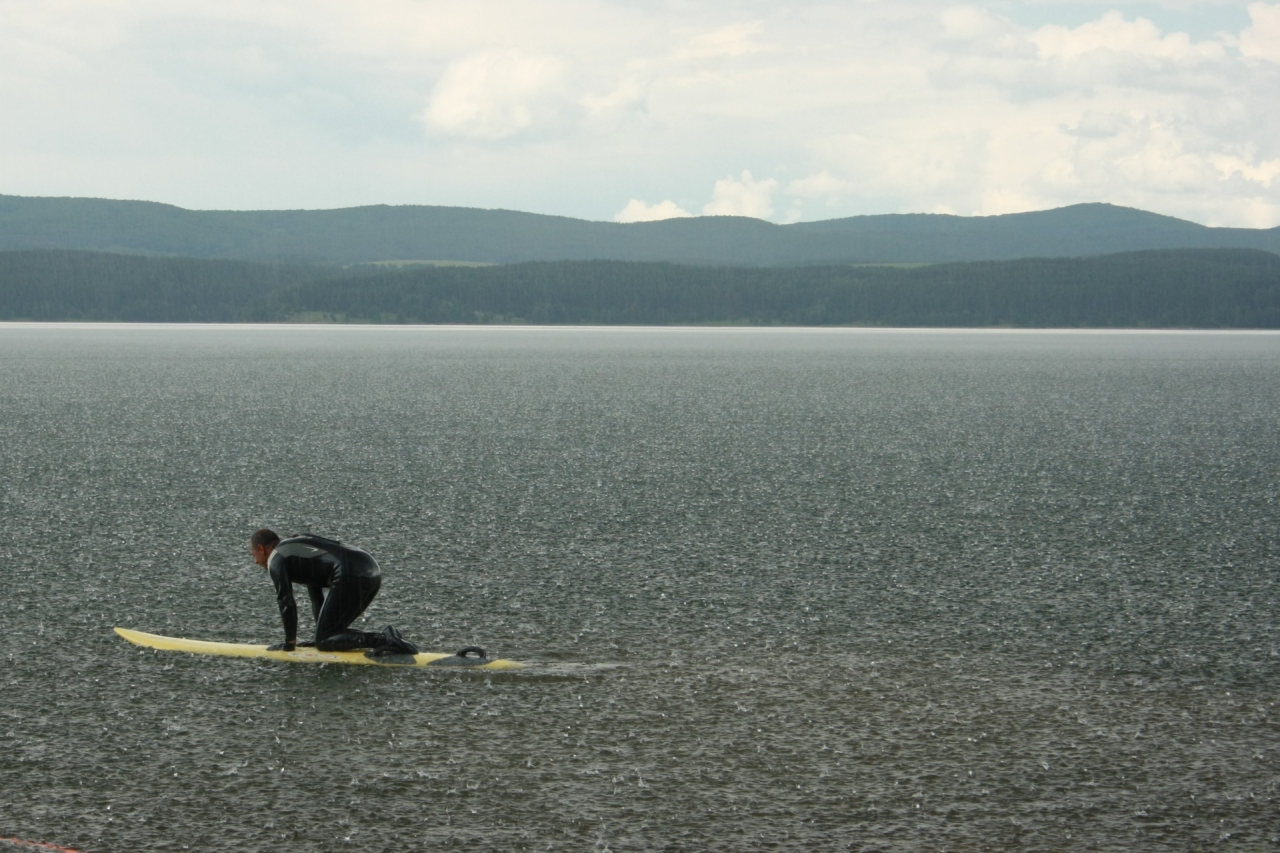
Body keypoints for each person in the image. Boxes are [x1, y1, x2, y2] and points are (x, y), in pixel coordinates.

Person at [249, 528, 417, 655]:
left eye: (254, 555)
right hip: (370, 569)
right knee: (327, 636)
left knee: (325, 641)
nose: (256, 562)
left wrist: (289, 644)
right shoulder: (296, 547)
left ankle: (384, 640)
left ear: (262, 549)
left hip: (351, 573)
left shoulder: (277, 558)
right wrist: (318, 635)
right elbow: (316, 598)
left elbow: (286, 603)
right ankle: (388, 635)